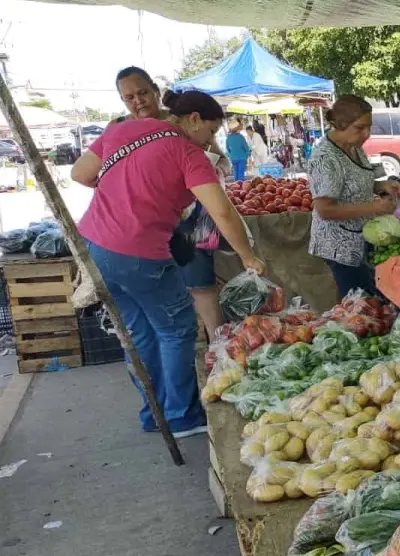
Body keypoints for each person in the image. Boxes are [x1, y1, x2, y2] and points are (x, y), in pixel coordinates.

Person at [70, 89, 263, 437]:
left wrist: (126, 188)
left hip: (96, 246)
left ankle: (153, 413)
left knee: (140, 333)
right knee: (176, 330)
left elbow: (80, 174)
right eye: (211, 130)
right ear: (192, 120)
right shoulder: (189, 154)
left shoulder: (122, 130)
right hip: (140, 251)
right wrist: (248, 257)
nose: (211, 138)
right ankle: (181, 416)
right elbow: (221, 212)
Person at [111, 66, 227, 341]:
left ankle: (217, 346)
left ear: (155, 91)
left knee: (200, 285)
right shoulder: (118, 128)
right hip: (143, 222)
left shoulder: (183, 121)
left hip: (188, 220)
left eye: (142, 93)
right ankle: (179, 345)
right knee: (155, 290)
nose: (138, 101)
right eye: (129, 97)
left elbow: (219, 161)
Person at [308, 95, 400, 299]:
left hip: (360, 238)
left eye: (369, 127)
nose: (367, 134)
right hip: (339, 246)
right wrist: (373, 208)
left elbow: (358, 183)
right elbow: (324, 209)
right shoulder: (325, 158)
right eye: (360, 128)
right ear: (340, 125)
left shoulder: (354, 148)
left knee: (369, 301)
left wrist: (384, 186)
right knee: (359, 306)